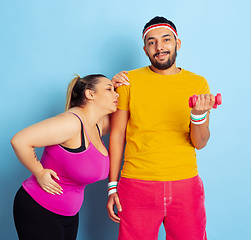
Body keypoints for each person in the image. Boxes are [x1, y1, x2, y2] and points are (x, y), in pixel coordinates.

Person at [106, 16, 216, 240]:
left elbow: (201, 142)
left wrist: (198, 116)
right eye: (151, 42)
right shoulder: (129, 81)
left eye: (166, 40)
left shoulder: (198, 83)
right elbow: (117, 136)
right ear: (145, 50)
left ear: (177, 43)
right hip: (136, 184)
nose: (159, 47)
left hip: (185, 184)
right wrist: (112, 185)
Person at [11, 74, 119, 240]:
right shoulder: (72, 123)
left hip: (69, 214)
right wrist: (39, 172)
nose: (116, 94)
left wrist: (121, 84)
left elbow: (126, 118)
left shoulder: (96, 126)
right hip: (40, 209)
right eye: (109, 89)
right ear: (90, 94)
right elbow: (20, 140)